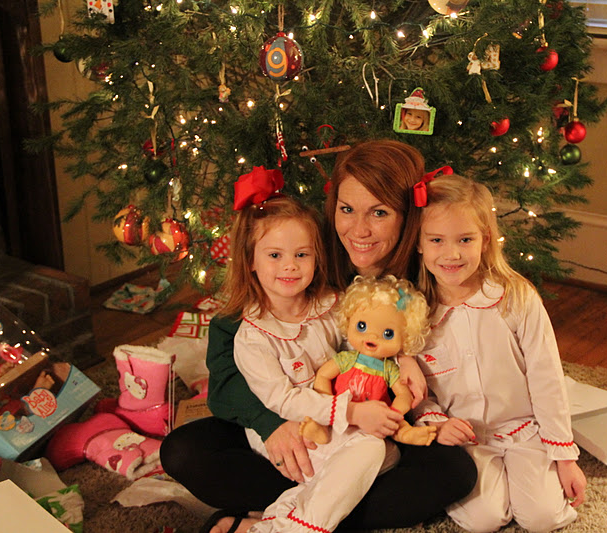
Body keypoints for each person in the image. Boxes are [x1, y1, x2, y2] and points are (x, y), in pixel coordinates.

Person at [160, 141, 477, 533]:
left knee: (454, 471)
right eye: (347, 209)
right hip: (300, 420)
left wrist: (402, 356)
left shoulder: (434, 260)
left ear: (407, 215)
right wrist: (271, 426)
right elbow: (227, 381)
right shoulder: (301, 247)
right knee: (182, 451)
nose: (359, 230)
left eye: (379, 212)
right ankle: (317, 510)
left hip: (370, 421)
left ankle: (283, 515)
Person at [411, 173, 587, 532]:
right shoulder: (414, 311)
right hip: (467, 439)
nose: (452, 254)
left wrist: (564, 457)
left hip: (525, 430)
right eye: (437, 240)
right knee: (483, 520)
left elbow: (546, 377)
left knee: (542, 518)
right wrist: (436, 423)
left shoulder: (515, 297)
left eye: (465, 239)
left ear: (485, 240)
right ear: (419, 243)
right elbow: (416, 391)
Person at [225, 188, 402, 533]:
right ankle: (304, 528)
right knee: (370, 452)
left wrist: (396, 366)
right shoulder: (253, 336)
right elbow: (283, 400)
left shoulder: (329, 305)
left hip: (332, 416)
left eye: (302, 254)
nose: (290, 265)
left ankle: (277, 520)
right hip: (289, 425)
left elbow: (361, 345)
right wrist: (352, 413)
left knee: (389, 455)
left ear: (316, 257)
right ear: (250, 261)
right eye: (274, 255)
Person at [300, 275, 436, 447]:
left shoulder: (389, 369)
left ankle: (406, 433)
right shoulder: (346, 359)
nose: (372, 336)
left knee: (395, 424)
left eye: (388, 334)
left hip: (376, 421)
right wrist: (330, 403)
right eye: (362, 326)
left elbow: (404, 395)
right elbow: (323, 376)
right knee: (322, 418)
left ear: (406, 337)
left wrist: (392, 413)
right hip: (342, 412)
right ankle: (320, 429)